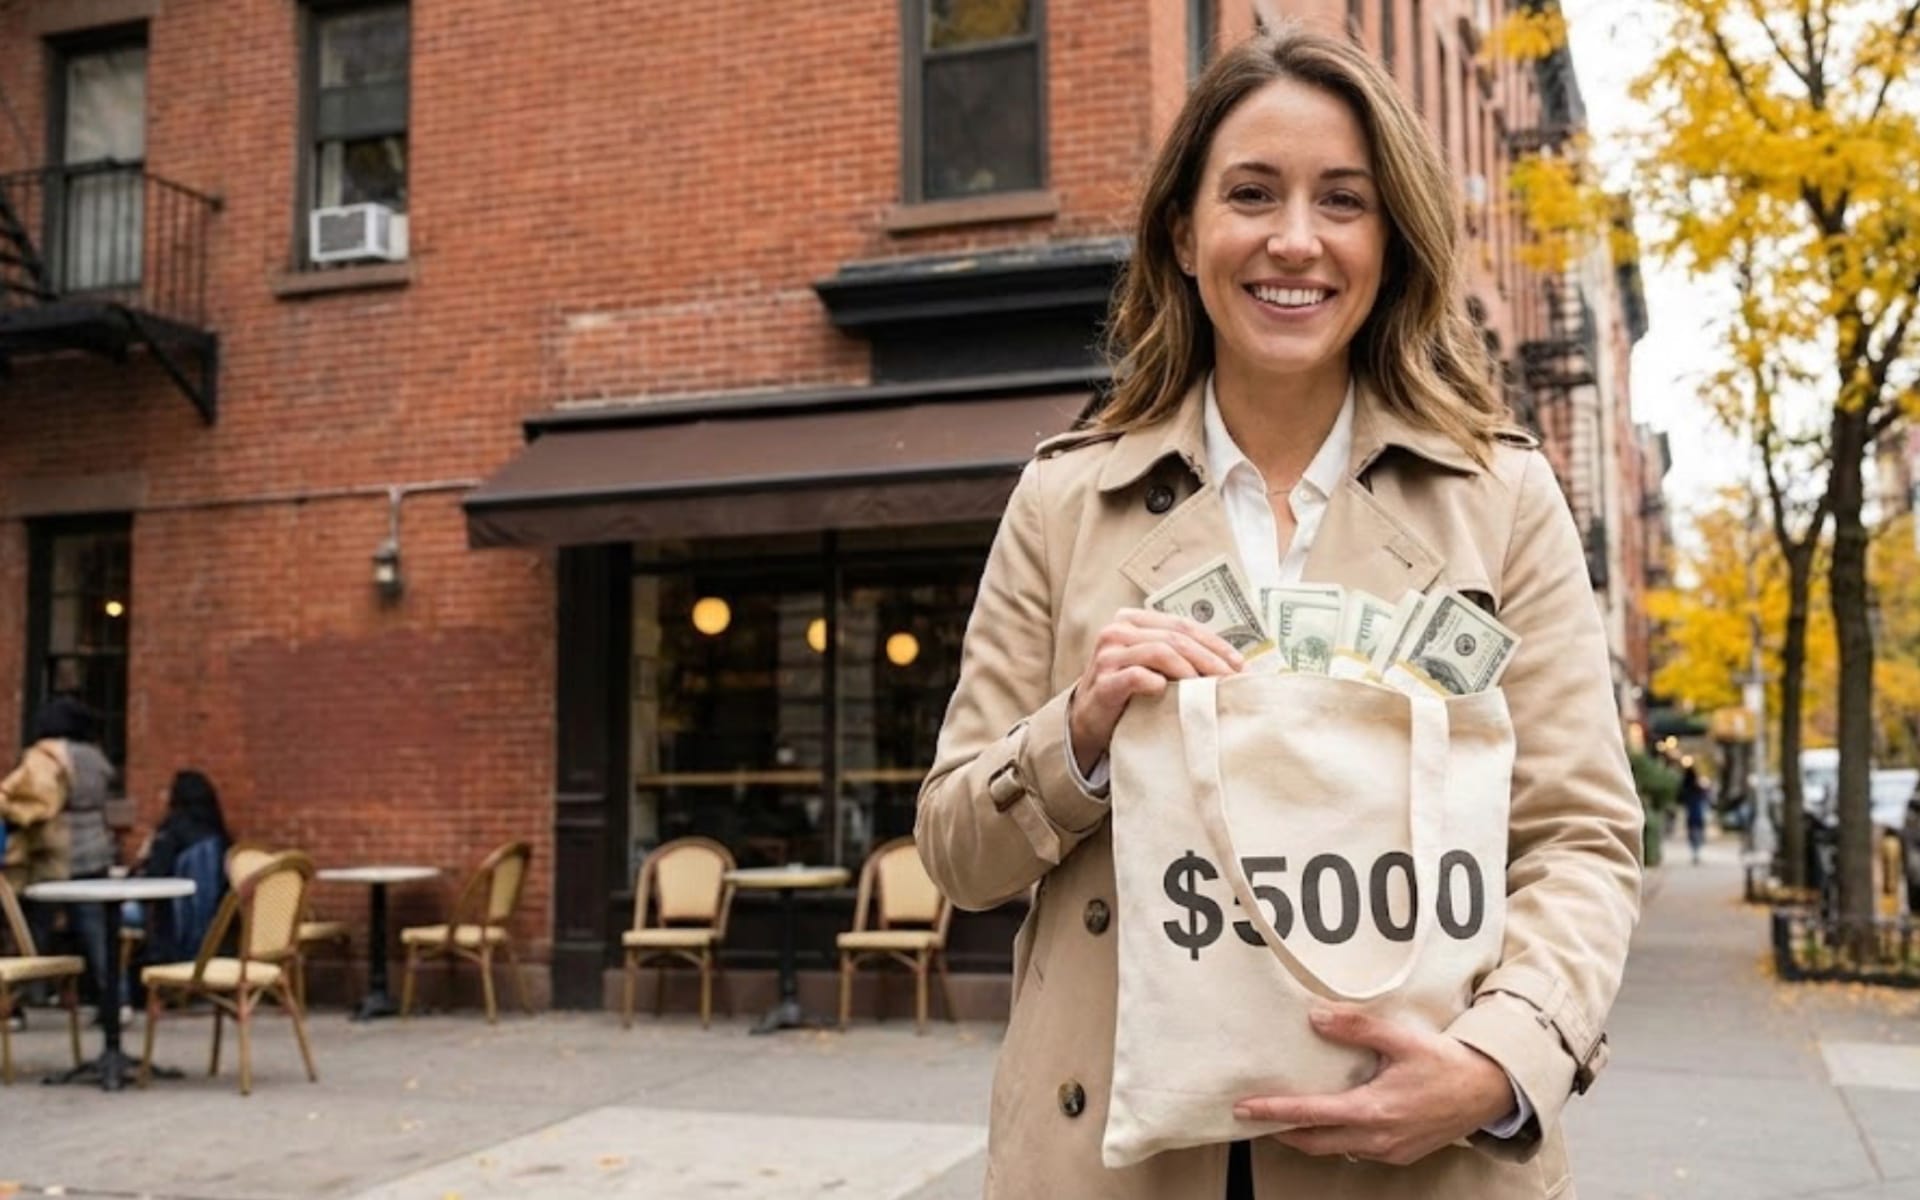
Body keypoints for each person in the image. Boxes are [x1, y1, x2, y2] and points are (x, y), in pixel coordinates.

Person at [915, 24, 1642, 1200]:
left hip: (1421, 1160)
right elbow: (956, 848)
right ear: (1185, 235)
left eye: (1342, 201)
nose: (1294, 240)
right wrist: (1081, 735)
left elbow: (1580, 842)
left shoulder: (1501, 499)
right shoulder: (1063, 502)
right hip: (1114, 1157)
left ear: (1391, 243)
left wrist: (1498, 1059)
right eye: (1251, 194)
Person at [0, 695, 116, 1010]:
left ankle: (19, 1001)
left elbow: (32, 802)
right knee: (96, 932)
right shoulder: (97, 758)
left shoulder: (47, 756)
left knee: (34, 931)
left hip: (52, 855)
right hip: (96, 851)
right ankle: (114, 1002)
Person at [126, 770, 232, 968]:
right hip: (214, 932)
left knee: (111, 915)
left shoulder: (171, 832)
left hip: (168, 923)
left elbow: (150, 883)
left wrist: (141, 859)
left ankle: (117, 989)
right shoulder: (219, 836)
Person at [1680, 757, 1710, 865]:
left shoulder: (1685, 787)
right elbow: (1705, 795)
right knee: (1698, 830)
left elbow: (1681, 798)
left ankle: (1695, 852)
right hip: (1698, 811)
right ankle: (1697, 851)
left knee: (1692, 831)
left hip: (1691, 812)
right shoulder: (1698, 787)